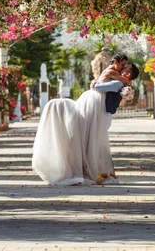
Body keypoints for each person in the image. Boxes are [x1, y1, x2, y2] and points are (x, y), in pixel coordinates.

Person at [31, 54, 135, 185]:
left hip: (94, 106)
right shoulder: (113, 72)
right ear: (115, 62)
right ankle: (98, 170)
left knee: (95, 141)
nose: (123, 67)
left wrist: (125, 81)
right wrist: (127, 81)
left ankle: (99, 170)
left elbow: (99, 86)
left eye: (126, 67)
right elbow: (99, 86)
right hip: (90, 104)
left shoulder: (117, 80)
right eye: (122, 64)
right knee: (94, 141)